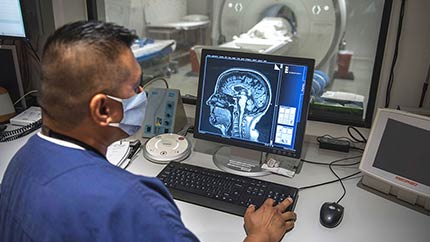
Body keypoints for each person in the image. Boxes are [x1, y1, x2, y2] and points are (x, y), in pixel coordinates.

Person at [0, 21, 296, 242]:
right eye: (134, 87)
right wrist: (260, 237)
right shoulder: (133, 202)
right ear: (103, 110)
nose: (143, 94)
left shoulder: (20, 163)